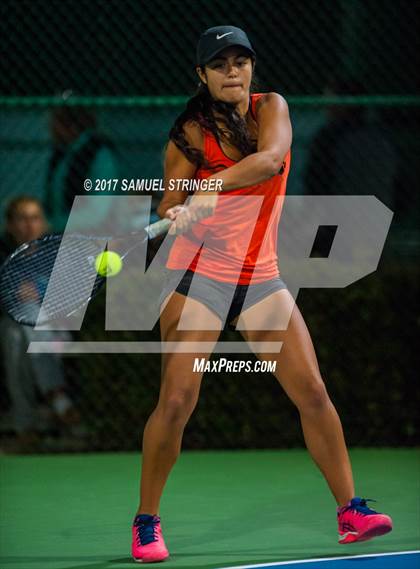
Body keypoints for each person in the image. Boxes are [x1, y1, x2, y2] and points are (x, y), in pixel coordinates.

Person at [131, 26, 393, 563]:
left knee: (313, 392)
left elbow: (272, 159)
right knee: (177, 401)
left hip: (259, 275)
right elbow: (168, 206)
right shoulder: (187, 135)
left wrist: (209, 188)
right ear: (200, 75)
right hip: (198, 274)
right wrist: (178, 210)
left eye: (241, 61)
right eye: (220, 64)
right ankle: (146, 521)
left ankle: (350, 511)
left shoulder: (271, 107)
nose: (233, 71)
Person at [0, 196, 81, 452]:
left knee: (21, 328)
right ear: (10, 225)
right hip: (23, 329)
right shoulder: (3, 255)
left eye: (34, 218)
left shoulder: (59, 251)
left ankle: (25, 425)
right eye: (21, 218)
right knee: (17, 334)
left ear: (44, 223)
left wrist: (38, 289)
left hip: (57, 332)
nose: (28, 225)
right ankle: (57, 398)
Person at [45, 104, 119, 233]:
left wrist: (53, 224)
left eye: (55, 122)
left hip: (91, 234)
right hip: (62, 233)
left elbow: (98, 211)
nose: (50, 129)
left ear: (70, 124)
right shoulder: (60, 154)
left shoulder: (97, 153)